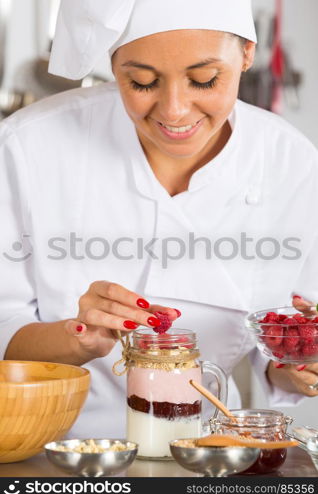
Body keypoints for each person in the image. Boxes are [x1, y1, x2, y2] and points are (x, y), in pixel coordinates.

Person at [0, 0, 318, 438]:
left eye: (204, 80)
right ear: (114, 68)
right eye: (142, 82)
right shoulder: (29, 145)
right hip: (55, 445)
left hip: (209, 447)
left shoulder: (290, 161)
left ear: (246, 54)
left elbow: (282, 345)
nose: (173, 110)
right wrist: (77, 338)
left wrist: (301, 366)